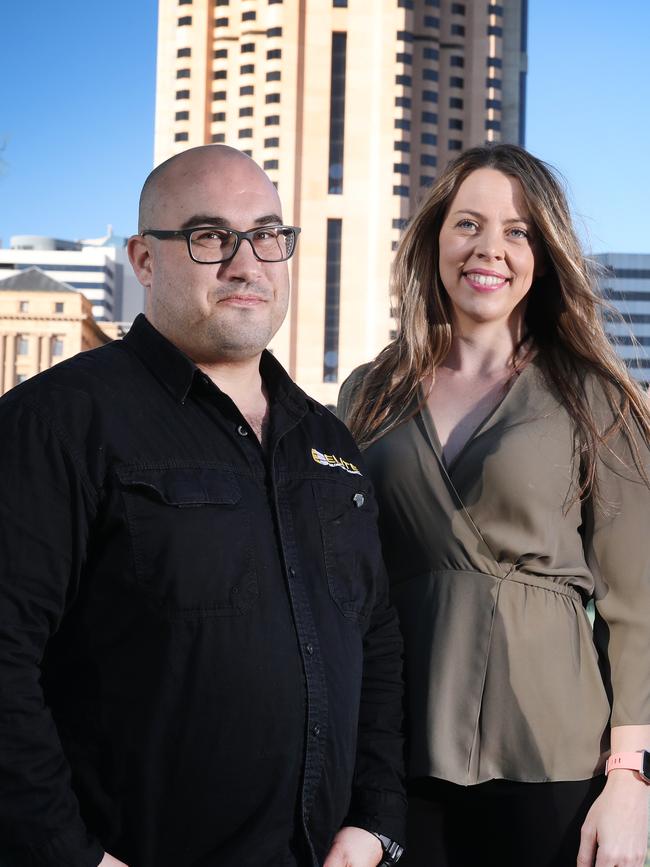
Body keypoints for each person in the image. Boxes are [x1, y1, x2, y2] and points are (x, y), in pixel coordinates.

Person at [0, 145, 407, 867]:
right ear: (144, 260)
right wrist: (70, 856)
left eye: (268, 235)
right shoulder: (58, 421)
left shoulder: (330, 441)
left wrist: (376, 822)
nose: (247, 263)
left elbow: (374, 639)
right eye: (211, 236)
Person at [338, 144, 650, 867]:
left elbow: (638, 600)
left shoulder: (593, 395)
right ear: (434, 238)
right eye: (468, 223)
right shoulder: (367, 392)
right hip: (394, 754)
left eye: (518, 231)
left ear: (543, 252)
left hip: (555, 758)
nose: (490, 249)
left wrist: (631, 778)